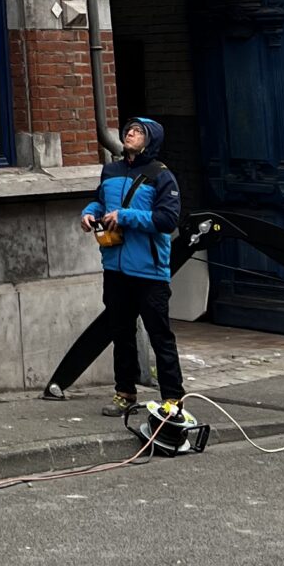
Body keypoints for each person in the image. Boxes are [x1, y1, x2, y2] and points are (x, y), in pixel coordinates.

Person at [81, 115, 189, 423]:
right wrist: (89, 213)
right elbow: (99, 202)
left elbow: (167, 220)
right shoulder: (111, 170)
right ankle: (125, 393)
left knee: (160, 336)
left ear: (150, 140)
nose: (129, 133)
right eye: (128, 130)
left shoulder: (161, 175)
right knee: (121, 334)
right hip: (115, 268)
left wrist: (125, 216)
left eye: (138, 131)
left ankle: (173, 400)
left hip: (149, 271)